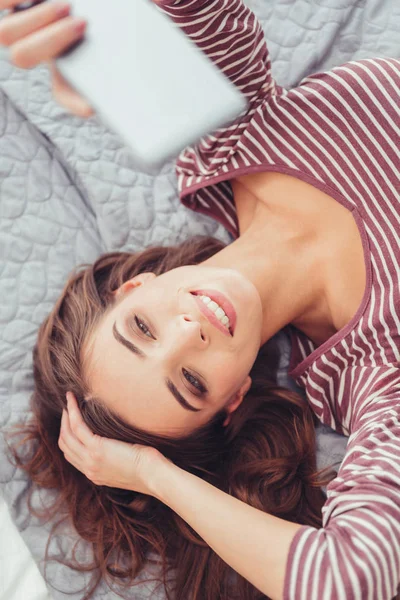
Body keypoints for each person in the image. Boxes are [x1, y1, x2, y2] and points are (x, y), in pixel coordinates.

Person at [2, 1, 400, 599]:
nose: (190, 331)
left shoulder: (226, 141)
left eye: (141, 328)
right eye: (190, 381)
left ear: (134, 288)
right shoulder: (373, 371)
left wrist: (79, 18)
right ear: (234, 397)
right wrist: (152, 476)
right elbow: (353, 578)